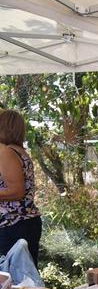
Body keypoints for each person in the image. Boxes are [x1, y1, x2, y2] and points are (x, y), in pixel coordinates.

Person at [0, 109, 42, 266]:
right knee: (26, 278)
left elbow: (17, 191)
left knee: (14, 280)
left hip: (14, 224)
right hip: (24, 223)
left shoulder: (7, 152)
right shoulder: (19, 151)